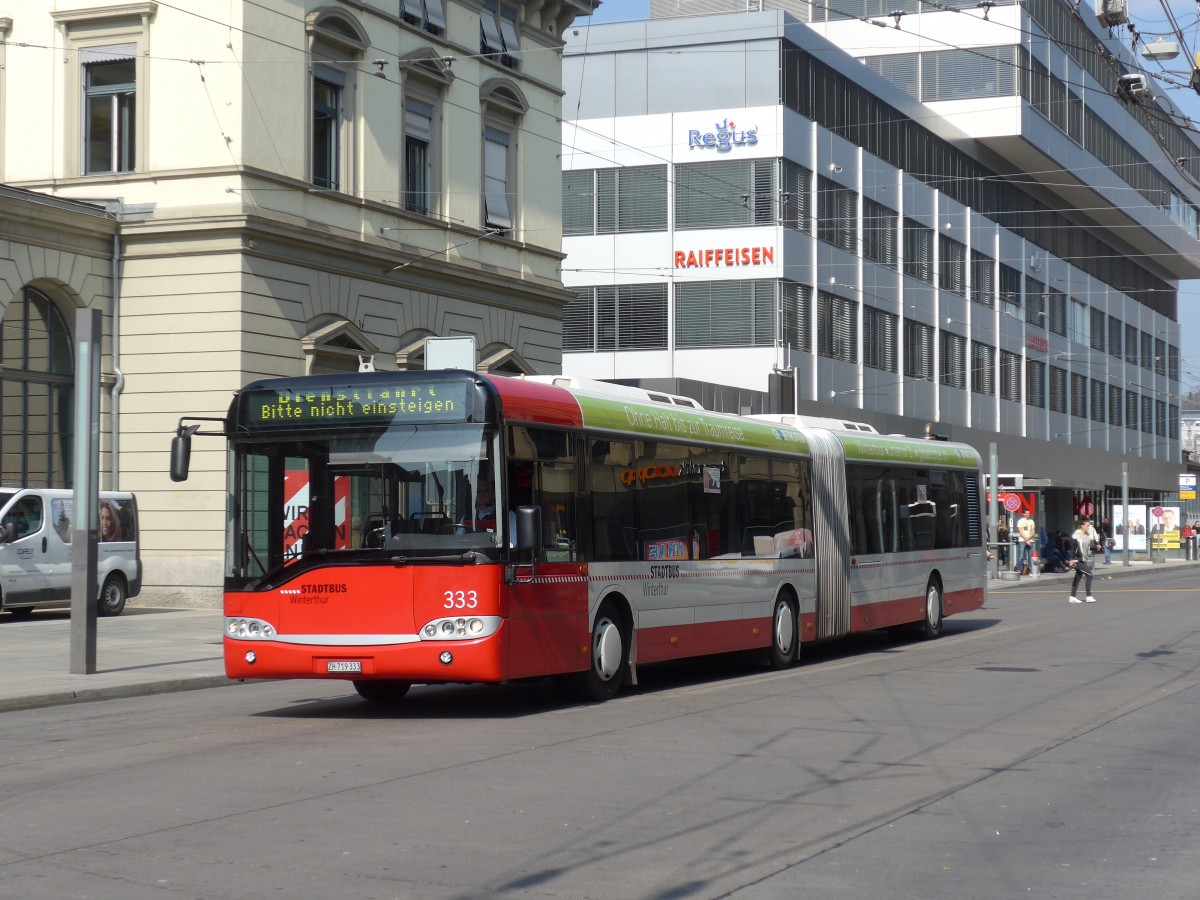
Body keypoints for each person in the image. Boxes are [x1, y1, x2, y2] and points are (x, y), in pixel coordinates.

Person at [1067, 517, 1098, 604]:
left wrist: (1096, 546)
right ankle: (1089, 596)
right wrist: (1071, 559)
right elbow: (1072, 547)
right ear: (1082, 525)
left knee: (1077, 578)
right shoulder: (1077, 534)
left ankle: (1072, 597)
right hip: (1077, 559)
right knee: (1089, 575)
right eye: (1087, 526)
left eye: (1089, 526)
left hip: (1084, 559)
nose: (1088, 527)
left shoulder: (1087, 535)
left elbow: (1089, 547)